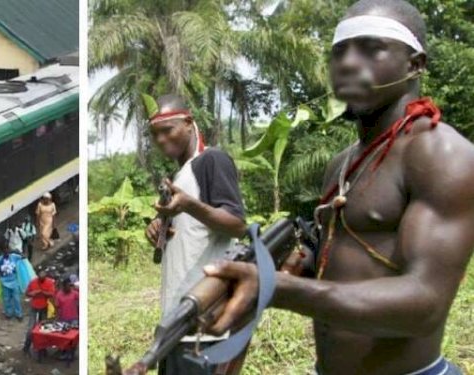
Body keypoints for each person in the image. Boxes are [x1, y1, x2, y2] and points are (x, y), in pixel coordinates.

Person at [202, 1, 474, 375]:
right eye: (339, 52)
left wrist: (276, 289)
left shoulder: (440, 153)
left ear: (415, 64)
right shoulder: (342, 163)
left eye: (370, 48)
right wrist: (293, 266)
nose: (346, 64)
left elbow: (426, 305)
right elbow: (347, 264)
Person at [143, 93, 246, 375]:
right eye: (155, 135)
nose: (161, 140)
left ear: (188, 123)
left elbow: (237, 222)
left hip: (204, 325)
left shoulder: (211, 160)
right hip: (177, 321)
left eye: (167, 130)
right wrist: (157, 227)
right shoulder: (183, 174)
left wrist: (190, 205)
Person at [22, 267, 55, 353]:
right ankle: (26, 347)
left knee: (43, 329)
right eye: (40, 278)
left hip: (44, 308)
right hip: (34, 308)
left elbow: (52, 294)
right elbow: (27, 293)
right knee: (30, 329)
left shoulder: (50, 282)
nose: (42, 280)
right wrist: (32, 293)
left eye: (43, 279)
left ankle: (42, 349)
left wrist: (42, 292)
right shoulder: (32, 282)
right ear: (38, 277)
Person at [0, 249, 23, 320]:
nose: (6, 255)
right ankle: (8, 314)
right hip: (4, 282)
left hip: (14, 280)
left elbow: (23, 257)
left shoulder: (14, 257)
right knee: (6, 299)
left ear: (9, 253)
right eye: (5, 254)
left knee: (16, 298)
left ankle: (19, 314)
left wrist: (18, 252)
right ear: (2, 254)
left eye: (8, 254)